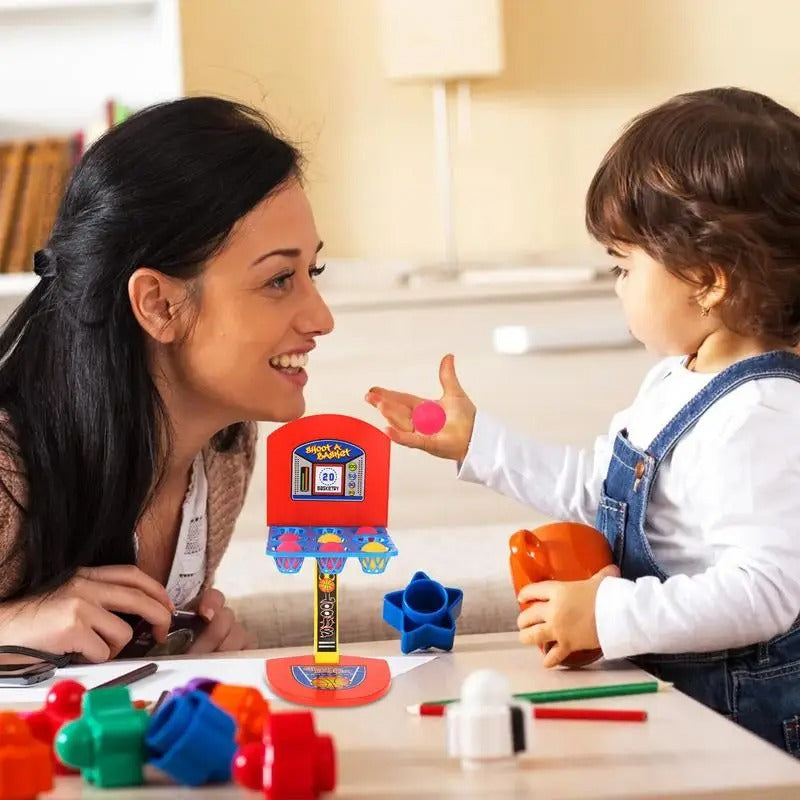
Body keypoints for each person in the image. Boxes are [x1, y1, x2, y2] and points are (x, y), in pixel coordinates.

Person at [366, 87, 800, 755]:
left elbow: (765, 592)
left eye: (623, 266)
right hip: (676, 693)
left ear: (710, 280)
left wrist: (611, 613)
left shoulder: (761, 416)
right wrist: (477, 442)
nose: (616, 284)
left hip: (745, 725)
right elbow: (594, 487)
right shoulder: (676, 379)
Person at [0, 97, 334, 663]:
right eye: (279, 279)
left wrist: (178, 647)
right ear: (159, 304)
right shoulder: (7, 471)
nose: (321, 318)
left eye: (313, 271)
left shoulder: (225, 449)